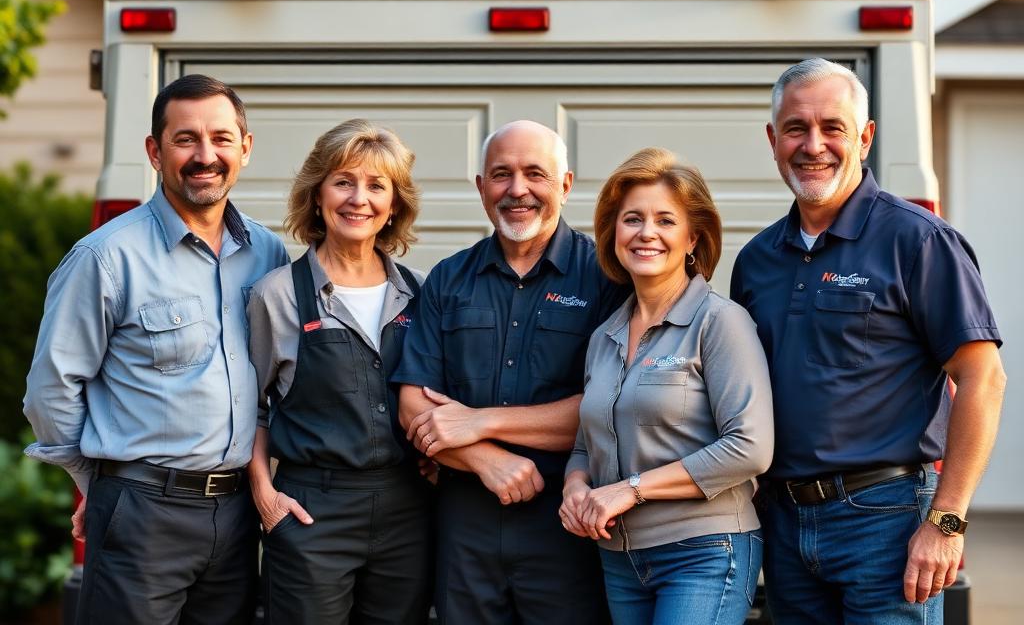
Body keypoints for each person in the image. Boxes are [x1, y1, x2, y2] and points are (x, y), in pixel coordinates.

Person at [730, 57, 1006, 624]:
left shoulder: (918, 241)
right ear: (772, 139)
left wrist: (947, 521)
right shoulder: (757, 260)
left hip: (887, 521)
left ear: (865, 137)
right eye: (795, 128)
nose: (813, 145)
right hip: (782, 521)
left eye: (833, 127)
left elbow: (983, 378)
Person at [23, 74, 289, 624]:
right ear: (154, 150)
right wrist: (93, 486)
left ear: (245, 147)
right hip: (142, 514)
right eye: (185, 139)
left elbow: (273, 381)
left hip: (237, 516)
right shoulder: (103, 258)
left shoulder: (267, 252)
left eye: (220, 138)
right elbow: (51, 391)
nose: (205, 155)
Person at [392, 120, 627, 625]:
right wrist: (484, 459)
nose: (517, 190)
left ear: (564, 184)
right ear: (481, 187)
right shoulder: (447, 280)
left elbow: (609, 408)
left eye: (534, 174)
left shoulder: (608, 277)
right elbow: (413, 406)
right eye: (501, 174)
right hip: (464, 524)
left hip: (569, 520)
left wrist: (481, 423)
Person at [560, 148, 773, 625]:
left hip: (704, 552)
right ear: (613, 233)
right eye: (632, 219)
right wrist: (576, 487)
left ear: (693, 237)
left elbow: (751, 448)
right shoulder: (605, 336)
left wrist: (630, 490)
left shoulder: (721, 323)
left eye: (665, 220)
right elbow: (584, 442)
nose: (646, 233)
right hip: (619, 559)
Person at [246, 119, 432, 624]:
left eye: (377, 186)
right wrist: (264, 494)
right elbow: (250, 408)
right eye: (344, 181)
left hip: (406, 509)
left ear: (395, 204)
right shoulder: (277, 295)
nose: (359, 199)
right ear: (318, 194)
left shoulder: (421, 292)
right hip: (312, 511)